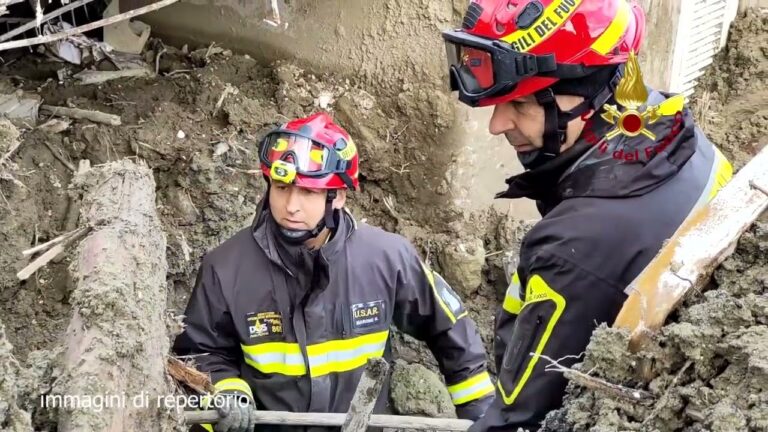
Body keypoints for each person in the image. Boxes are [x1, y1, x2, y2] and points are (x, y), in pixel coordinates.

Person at [441, 0, 734, 430]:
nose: (497, 124)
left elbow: (522, 417)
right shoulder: (676, 134)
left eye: (520, 104)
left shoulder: (573, 248)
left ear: (589, 96)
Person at [173, 112, 495, 432]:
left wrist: (482, 415)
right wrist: (228, 393)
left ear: (338, 195)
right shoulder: (226, 268)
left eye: (309, 192)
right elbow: (200, 352)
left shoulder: (386, 259)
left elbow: (448, 329)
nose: (291, 206)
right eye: (282, 187)